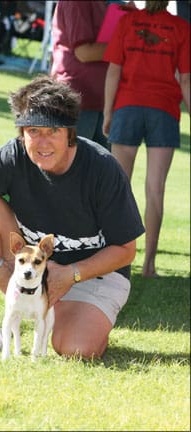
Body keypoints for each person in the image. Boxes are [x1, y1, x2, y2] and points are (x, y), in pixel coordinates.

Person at [0, 75, 145, 360]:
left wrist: (70, 274)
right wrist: (1, 271)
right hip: (26, 264)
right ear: (22, 133)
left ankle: (63, 314)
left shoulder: (103, 168)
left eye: (53, 131)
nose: (42, 142)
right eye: (33, 130)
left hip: (92, 274)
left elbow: (126, 251)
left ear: (69, 133)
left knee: (78, 348)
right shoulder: (11, 156)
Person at [102, 0, 190, 278]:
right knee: (155, 190)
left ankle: (114, 259)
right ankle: (149, 264)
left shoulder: (127, 22)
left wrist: (107, 113)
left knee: (118, 188)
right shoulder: (181, 27)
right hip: (164, 111)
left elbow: (113, 70)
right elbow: (186, 80)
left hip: (127, 106)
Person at [50, 0, 136, 150]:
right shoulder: (77, 3)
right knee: (69, 167)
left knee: (101, 170)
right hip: (77, 99)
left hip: (104, 101)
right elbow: (84, 52)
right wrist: (127, 45)